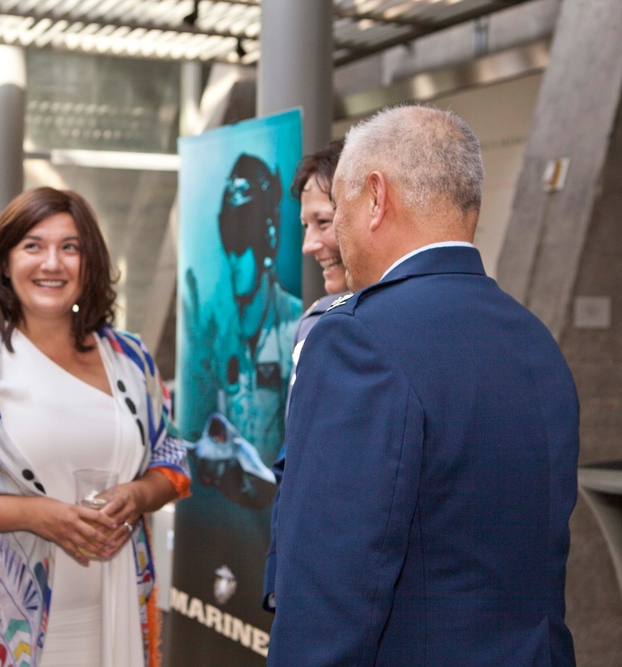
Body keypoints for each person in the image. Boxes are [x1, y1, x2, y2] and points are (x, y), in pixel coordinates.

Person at [269, 105, 578, 666]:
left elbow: (330, 591)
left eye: (338, 210)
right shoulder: (536, 341)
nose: (333, 232)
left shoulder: (356, 338)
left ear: (376, 198)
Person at [0, 186, 191, 667]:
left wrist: (138, 497)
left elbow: (173, 458)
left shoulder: (129, 357)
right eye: (33, 245)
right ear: (4, 261)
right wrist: (36, 515)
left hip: (119, 609)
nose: (52, 263)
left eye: (70, 247)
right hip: (6, 625)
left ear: (90, 261)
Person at [182, 153, 302, 509]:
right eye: (228, 237)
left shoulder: (298, 328)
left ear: (267, 237)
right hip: (230, 526)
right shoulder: (218, 336)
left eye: (243, 238)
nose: (233, 257)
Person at [261, 138, 346, 612]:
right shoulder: (313, 324)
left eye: (324, 223)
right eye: (305, 226)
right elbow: (293, 469)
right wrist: (279, 580)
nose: (310, 245)